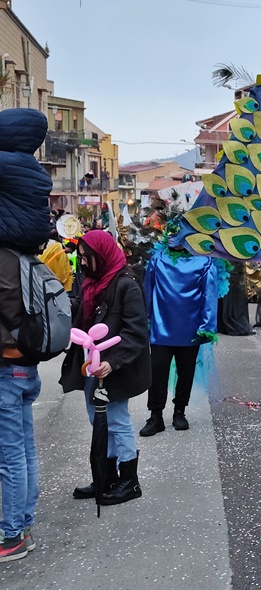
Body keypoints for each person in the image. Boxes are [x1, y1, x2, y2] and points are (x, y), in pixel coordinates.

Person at [60, 230, 151, 505]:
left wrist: (113, 362)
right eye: (82, 258)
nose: (84, 263)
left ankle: (129, 481)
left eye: (88, 258)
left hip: (114, 368)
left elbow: (136, 332)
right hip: (91, 366)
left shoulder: (126, 284)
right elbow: (81, 313)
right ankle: (106, 477)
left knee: (118, 422)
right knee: (98, 421)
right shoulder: (91, 283)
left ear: (103, 255)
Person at [0, 107, 52, 561]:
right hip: (25, 364)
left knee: (9, 455)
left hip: (6, 363)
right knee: (23, 449)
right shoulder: (22, 256)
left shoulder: (2, 258)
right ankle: (23, 521)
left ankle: (12, 533)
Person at [139, 244, 218, 436]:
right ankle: (156, 415)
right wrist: (145, 321)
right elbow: (147, 291)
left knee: (186, 372)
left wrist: (207, 327)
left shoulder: (205, 262)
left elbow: (210, 296)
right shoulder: (158, 259)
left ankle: (179, 411)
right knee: (157, 372)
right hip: (161, 328)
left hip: (190, 330)